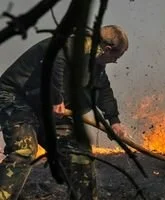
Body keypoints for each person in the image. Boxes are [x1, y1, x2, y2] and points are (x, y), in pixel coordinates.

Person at [0, 25, 129, 200]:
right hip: (17, 99)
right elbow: (54, 62)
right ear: (107, 49)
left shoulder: (95, 63)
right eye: (116, 57)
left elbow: (102, 89)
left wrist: (114, 121)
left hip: (47, 109)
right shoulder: (74, 45)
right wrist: (57, 99)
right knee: (25, 150)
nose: (115, 62)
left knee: (80, 155)